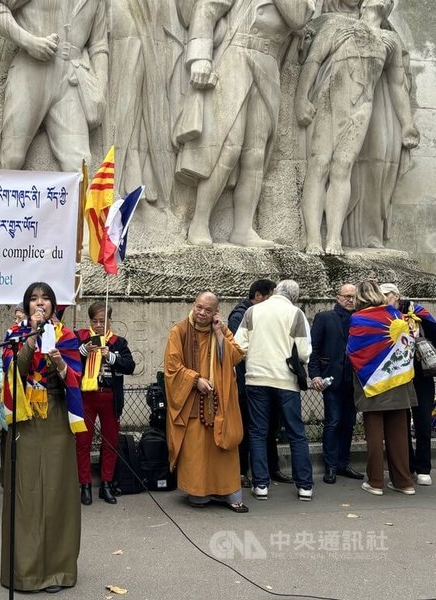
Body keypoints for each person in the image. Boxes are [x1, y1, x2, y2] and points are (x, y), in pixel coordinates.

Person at [174, 0, 314, 247]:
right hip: (236, 54)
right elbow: (208, 8)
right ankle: (200, 222)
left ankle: (243, 228)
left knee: (256, 152)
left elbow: (299, 16)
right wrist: (200, 57)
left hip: (268, 61)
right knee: (227, 144)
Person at [294, 0, 419, 254]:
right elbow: (313, 61)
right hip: (328, 102)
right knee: (319, 164)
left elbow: (397, 86)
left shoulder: (389, 40)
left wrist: (407, 125)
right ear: (362, 6)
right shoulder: (338, 26)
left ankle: (334, 238)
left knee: (342, 168)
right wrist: (301, 98)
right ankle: (313, 239)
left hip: (361, 109)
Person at [0, 282, 85, 593]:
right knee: (27, 495)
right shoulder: (16, 333)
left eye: (45, 298)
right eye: (34, 299)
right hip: (26, 421)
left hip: (57, 418)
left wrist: (60, 363)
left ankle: (58, 571)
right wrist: (30, 338)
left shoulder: (67, 336)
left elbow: (75, 379)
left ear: (53, 305)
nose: (40, 304)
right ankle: (25, 572)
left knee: (56, 493)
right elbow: (14, 374)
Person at [0, 0, 108, 171]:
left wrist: (100, 86)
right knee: (12, 157)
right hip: (31, 70)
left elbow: (98, 45)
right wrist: (29, 41)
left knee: (80, 164)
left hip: (71, 77)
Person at [165, 291, 247, 512]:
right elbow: (172, 367)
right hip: (192, 401)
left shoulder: (220, 329)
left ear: (216, 312)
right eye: (199, 307)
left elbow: (237, 356)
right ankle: (199, 492)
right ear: (194, 304)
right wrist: (195, 380)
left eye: (208, 310)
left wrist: (219, 334)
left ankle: (229, 493)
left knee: (224, 448)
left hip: (221, 399)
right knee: (197, 451)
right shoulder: (179, 331)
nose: (202, 313)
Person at [234, 280, 315, 501]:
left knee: (258, 432)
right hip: (286, 380)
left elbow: (239, 345)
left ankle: (261, 485)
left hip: (256, 379)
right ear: (294, 296)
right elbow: (304, 353)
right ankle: (305, 486)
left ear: (276, 291)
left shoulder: (252, 311)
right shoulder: (295, 313)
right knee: (296, 433)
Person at [347, 280, 417, 495]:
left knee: (375, 435)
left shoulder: (358, 318)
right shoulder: (396, 314)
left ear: (359, 297)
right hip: (399, 380)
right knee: (399, 434)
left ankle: (375, 482)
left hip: (372, 381)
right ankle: (404, 482)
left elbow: (353, 351)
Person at [228, 279, 294, 488]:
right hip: (248, 380)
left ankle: (272, 468)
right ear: (258, 296)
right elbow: (239, 349)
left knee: (270, 428)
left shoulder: (261, 313)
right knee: (249, 429)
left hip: (266, 378)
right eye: (269, 296)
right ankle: (241, 472)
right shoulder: (241, 315)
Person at [74, 301, 136, 506]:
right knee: (83, 442)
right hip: (86, 396)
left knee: (110, 441)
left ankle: (107, 484)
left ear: (110, 321)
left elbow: (130, 366)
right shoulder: (80, 338)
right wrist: (83, 351)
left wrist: (110, 356)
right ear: (89, 321)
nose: (99, 325)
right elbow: (68, 360)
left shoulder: (118, 342)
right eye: (95, 321)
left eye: (103, 321)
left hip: (110, 396)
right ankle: (84, 484)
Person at [380, 283, 436, 487]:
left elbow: (434, 331)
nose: (384, 299)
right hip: (398, 376)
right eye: (381, 295)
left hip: (421, 375)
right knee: (400, 423)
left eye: (387, 295)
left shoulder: (416, 310)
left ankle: (423, 468)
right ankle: (408, 467)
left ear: (396, 295)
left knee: (422, 422)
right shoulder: (382, 316)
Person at [309, 283, 363, 484]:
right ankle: (330, 466)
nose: (350, 299)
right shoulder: (324, 318)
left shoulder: (361, 319)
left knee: (349, 423)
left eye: (353, 296)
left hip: (354, 380)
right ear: (337, 297)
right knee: (333, 422)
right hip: (331, 379)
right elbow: (314, 349)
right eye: (346, 296)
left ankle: (343, 463)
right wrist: (314, 375)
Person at [0, 303, 27, 467]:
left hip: (29, 401)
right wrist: (4, 385)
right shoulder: (10, 338)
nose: (16, 321)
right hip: (9, 401)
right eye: (16, 318)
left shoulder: (37, 339)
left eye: (21, 318)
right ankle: (7, 486)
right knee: (8, 451)